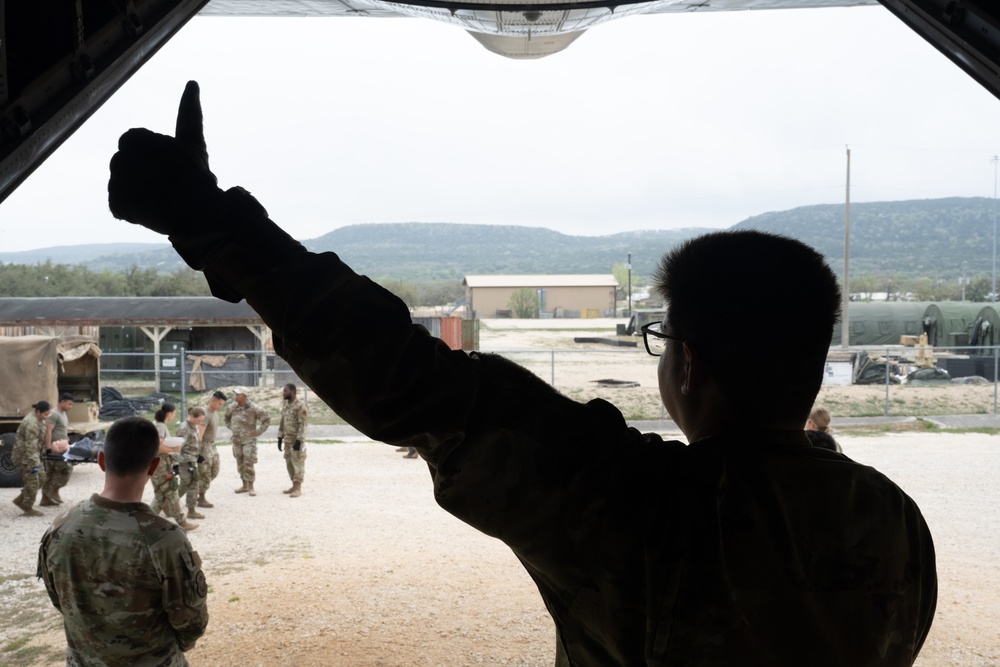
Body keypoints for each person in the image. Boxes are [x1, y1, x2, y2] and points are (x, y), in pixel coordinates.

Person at [108, 81, 937, 666]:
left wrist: (210, 221)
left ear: (688, 363)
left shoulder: (632, 504)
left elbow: (409, 381)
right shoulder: (896, 525)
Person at [37, 416, 209, 666]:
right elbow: (191, 621)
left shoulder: (61, 525)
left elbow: (59, 600)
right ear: (154, 466)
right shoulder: (164, 538)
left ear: (101, 460)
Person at [151, 403, 198, 531]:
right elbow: (157, 446)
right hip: (161, 465)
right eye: (174, 413)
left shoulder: (157, 424)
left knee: (160, 496)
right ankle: (182, 521)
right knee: (172, 493)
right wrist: (173, 449)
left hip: (157, 464)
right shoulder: (160, 426)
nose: (174, 415)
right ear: (170, 413)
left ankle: (147, 521)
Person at [224, 387, 269, 496]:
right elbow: (226, 418)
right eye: (235, 394)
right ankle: (244, 485)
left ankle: (251, 487)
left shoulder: (254, 408)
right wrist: (232, 427)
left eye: (238, 394)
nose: (235, 396)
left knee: (248, 462)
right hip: (236, 440)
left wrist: (257, 432)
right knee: (240, 462)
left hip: (249, 440)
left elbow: (266, 419)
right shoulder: (231, 407)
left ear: (244, 396)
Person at [11, 401, 53, 516]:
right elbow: (30, 446)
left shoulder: (39, 419)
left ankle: (21, 499)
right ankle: (27, 507)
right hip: (25, 457)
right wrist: (34, 464)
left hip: (34, 455)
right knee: (33, 482)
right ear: (38, 411)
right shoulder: (32, 424)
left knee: (42, 478)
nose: (47, 417)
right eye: (45, 414)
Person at [41, 392, 74, 505]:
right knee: (66, 470)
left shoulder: (63, 413)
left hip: (61, 447)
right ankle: (53, 491)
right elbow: (48, 432)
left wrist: (67, 439)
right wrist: (48, 449)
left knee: (51, 473)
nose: (71, 406)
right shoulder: (54, 414)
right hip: (55, 449)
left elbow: (62, 430)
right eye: (69, 404)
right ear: (62, 402)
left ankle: (45, 499)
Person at [277, 383, 308, 497]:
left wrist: (299, 441)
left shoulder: (300, 406)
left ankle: (298, 488)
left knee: (297, 463)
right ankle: (293, 486)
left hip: (296, 441)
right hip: (287, 440)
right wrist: (280, 437)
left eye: (285, 391)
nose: (283, 393)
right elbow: (282, 421)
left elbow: (302, 425)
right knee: (289, 463)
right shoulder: (286, 405)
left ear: (292, 391)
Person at [197, 390, 226, 508]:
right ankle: (201, 497)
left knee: (214, 471)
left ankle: (196, 489)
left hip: (212, 446)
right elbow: (199, 435)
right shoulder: (205, 414)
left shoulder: (214, 412)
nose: (220, 407)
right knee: (205, 473)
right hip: (204, 447)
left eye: (222, 405)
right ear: (213, 400)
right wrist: (198, 452)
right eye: (219, 404)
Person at [176, 407, 206, 519]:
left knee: (191, 484)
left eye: (201, 420)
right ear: (192, 416)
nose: (200, 422)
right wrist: (175, 463)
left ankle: (190, 509)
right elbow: (178, 446)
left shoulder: (194, 426)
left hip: (192, 459)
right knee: (189, 484)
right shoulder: (184, 428)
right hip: (185, 461)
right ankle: (171, 504)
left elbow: (193, 443)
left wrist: (197, 455)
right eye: (198, 420)